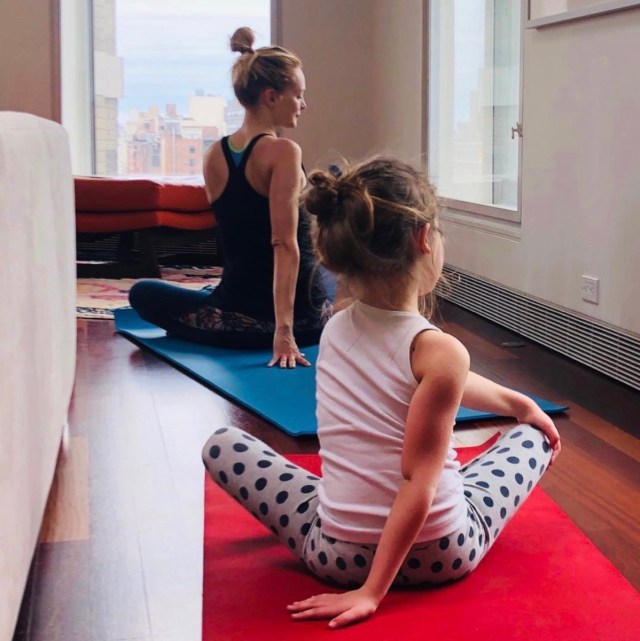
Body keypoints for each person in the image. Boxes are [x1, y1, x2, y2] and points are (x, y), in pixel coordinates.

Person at [202, 156, 562, 628]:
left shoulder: (334, 330)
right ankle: (388, 552)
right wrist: (371, 593)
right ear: (424, 239)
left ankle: (349, 521)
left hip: (333, 554)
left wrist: (517, 402)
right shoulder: (441, 352)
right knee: (530, 438)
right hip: (443, 553)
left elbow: (435, 384)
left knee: (221, 445)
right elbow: (418, 483)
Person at [129, 27, 331, 367]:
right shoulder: (284, 152)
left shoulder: (213, 155)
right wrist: (283, 333)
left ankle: (221, 307)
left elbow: (242, 234)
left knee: (143, 294)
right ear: (271, 96)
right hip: (303, 324)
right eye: (298, 95)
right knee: (331, 280)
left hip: (233, 319)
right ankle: (260, 317)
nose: (303, 104)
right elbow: (283, 243)